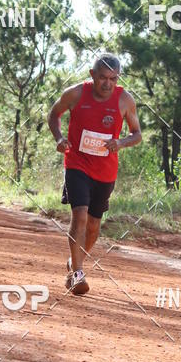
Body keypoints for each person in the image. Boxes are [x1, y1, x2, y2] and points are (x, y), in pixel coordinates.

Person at [47, 54, 142, 295]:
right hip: (77, 163)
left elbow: (137, 134)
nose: (107, 83)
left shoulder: (125, 100)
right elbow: (53, 114)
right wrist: (59, 138)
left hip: (105, 170)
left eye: (113, 78)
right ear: (92, 75)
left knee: (93, 226)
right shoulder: (76, 93)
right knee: (79, 215)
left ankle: (75, 262)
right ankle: (78, 274)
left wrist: (120, 143)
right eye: (102, 78)